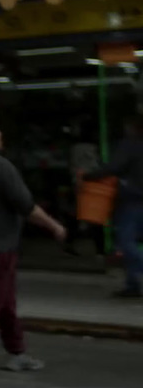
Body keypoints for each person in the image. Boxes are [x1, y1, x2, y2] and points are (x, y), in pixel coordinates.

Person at [0, 113, 67, 372]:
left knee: (6, 303)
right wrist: (54, 225)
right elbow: (26, 206)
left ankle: (17, 353)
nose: (0, 135)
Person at [84, 116, 143, 298]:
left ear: (132, 127)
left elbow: (114, 167)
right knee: (131, 242)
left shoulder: (129, 145)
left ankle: (134, 281)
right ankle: (132, 283)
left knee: (126, 242)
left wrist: (90, 176)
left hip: (133, 199)